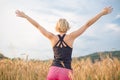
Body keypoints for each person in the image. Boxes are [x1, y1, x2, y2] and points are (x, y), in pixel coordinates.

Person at [15, 6, 113, 80]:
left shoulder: (51, 37)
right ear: (67, 27)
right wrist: (102, 13)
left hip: (53, 70)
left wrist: (26, 16)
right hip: (66, 71)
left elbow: (38, 26)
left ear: (57, 27)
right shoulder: (71, 37)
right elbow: (87, 24)